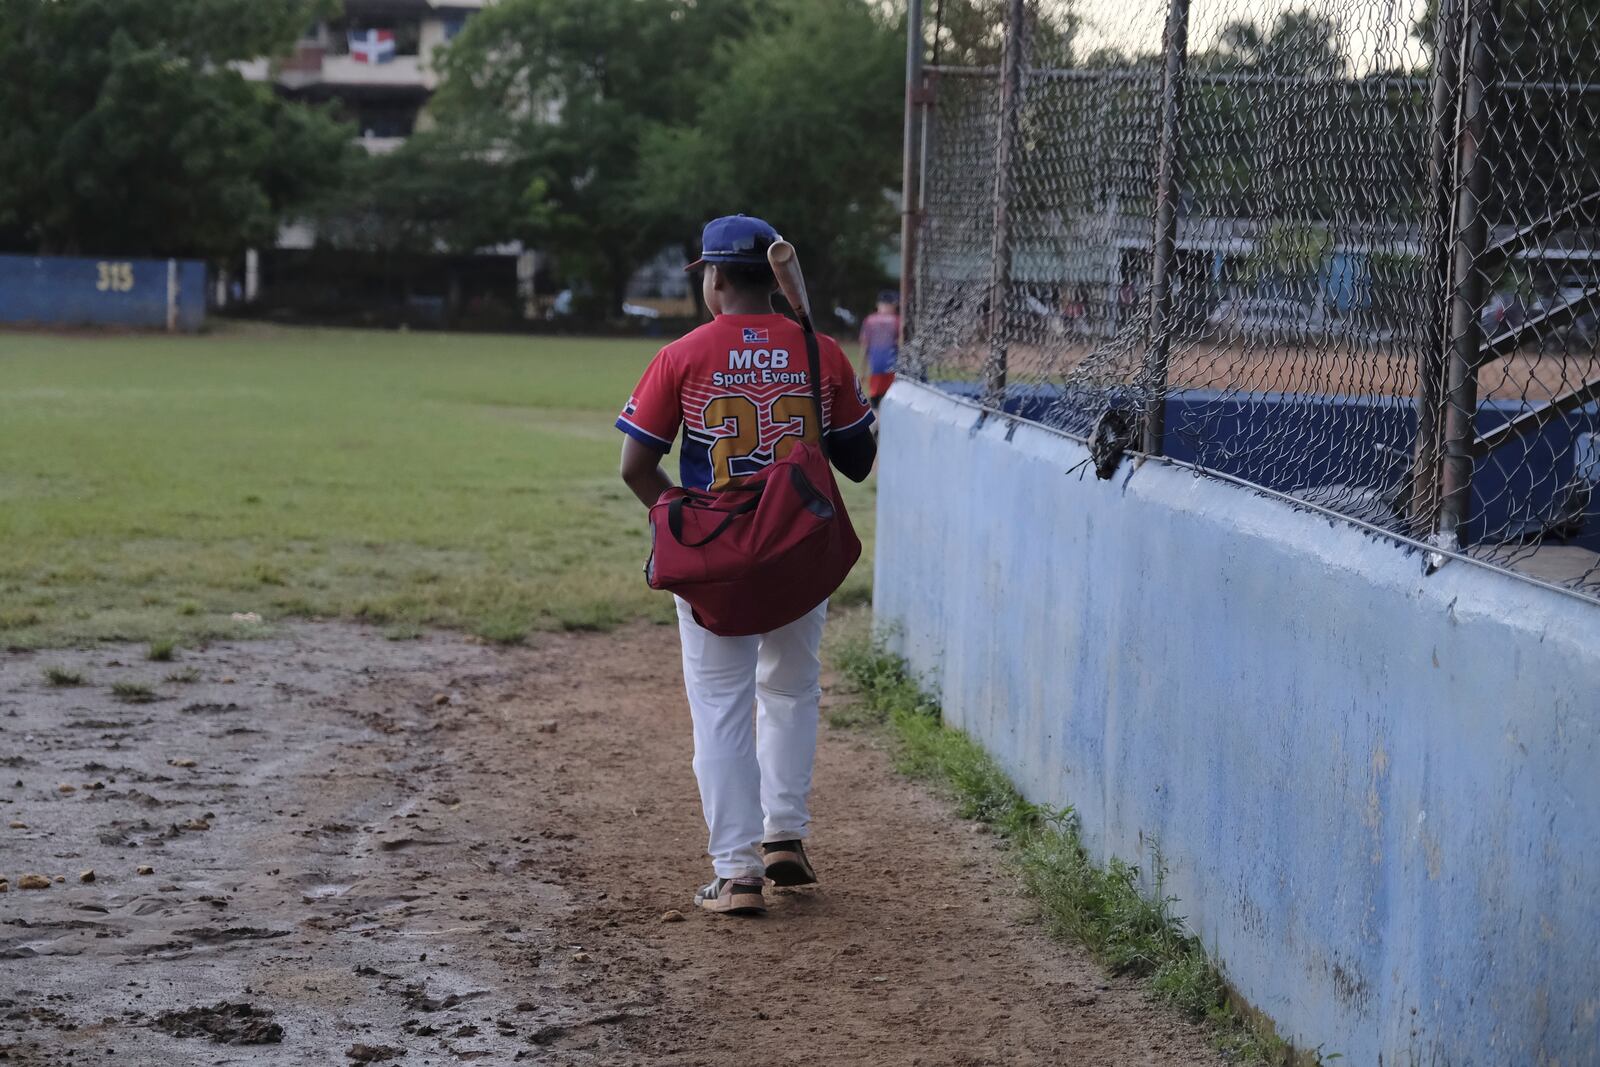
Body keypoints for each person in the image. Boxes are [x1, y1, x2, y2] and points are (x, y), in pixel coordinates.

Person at [615, 214, 878, 916]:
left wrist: (681, 520)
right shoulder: (819, 349)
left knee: (721, 707)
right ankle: (784, 834)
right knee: (791, 690)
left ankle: (736, 874)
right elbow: (857, 463)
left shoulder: (684, 353)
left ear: (717, 277)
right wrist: (821, 367)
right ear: (774, 276)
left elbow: (636, 465)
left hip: (718, 554)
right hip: (798, 546)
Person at [858, 290, 901, 412]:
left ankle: (877, 427)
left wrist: (862, 370)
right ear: (894, 305)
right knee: (891, 401)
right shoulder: (898, 320)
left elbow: (864, 346)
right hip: (893, 367)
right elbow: (902, 344)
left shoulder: (869, 320)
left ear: (878, 305)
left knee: (875, 400)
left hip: (876, 368)